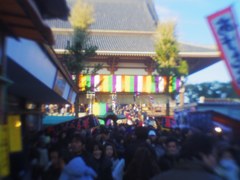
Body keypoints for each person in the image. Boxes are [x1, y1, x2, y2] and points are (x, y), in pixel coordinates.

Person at [152, 133, 222, 180]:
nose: (215, 160)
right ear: (203, 155)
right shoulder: (214, 178)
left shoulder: (160, 177)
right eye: (214, 155)